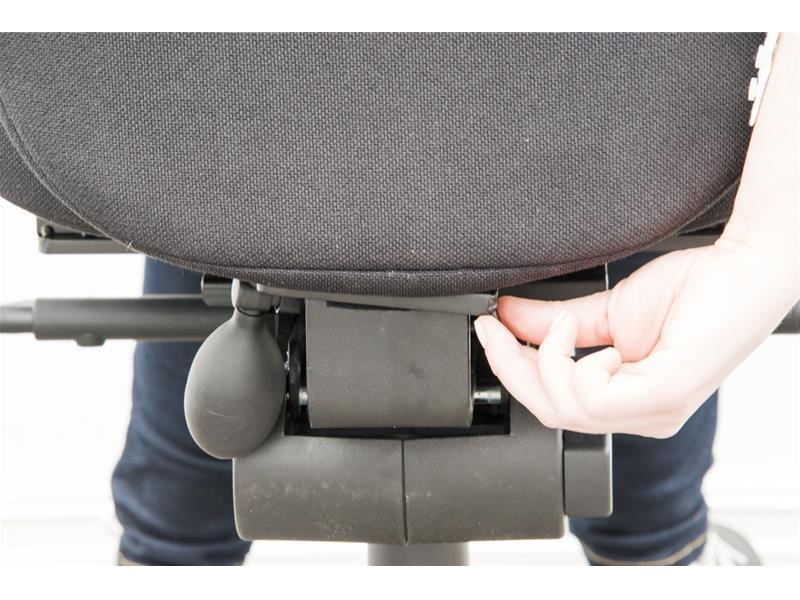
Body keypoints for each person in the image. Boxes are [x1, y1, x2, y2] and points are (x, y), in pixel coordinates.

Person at [112, 34, 797, 566]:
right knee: (632, 112)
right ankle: (660, 551)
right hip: (599, 127)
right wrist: (761, 249)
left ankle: (168, 552)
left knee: (217, 111)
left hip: (245, 133)